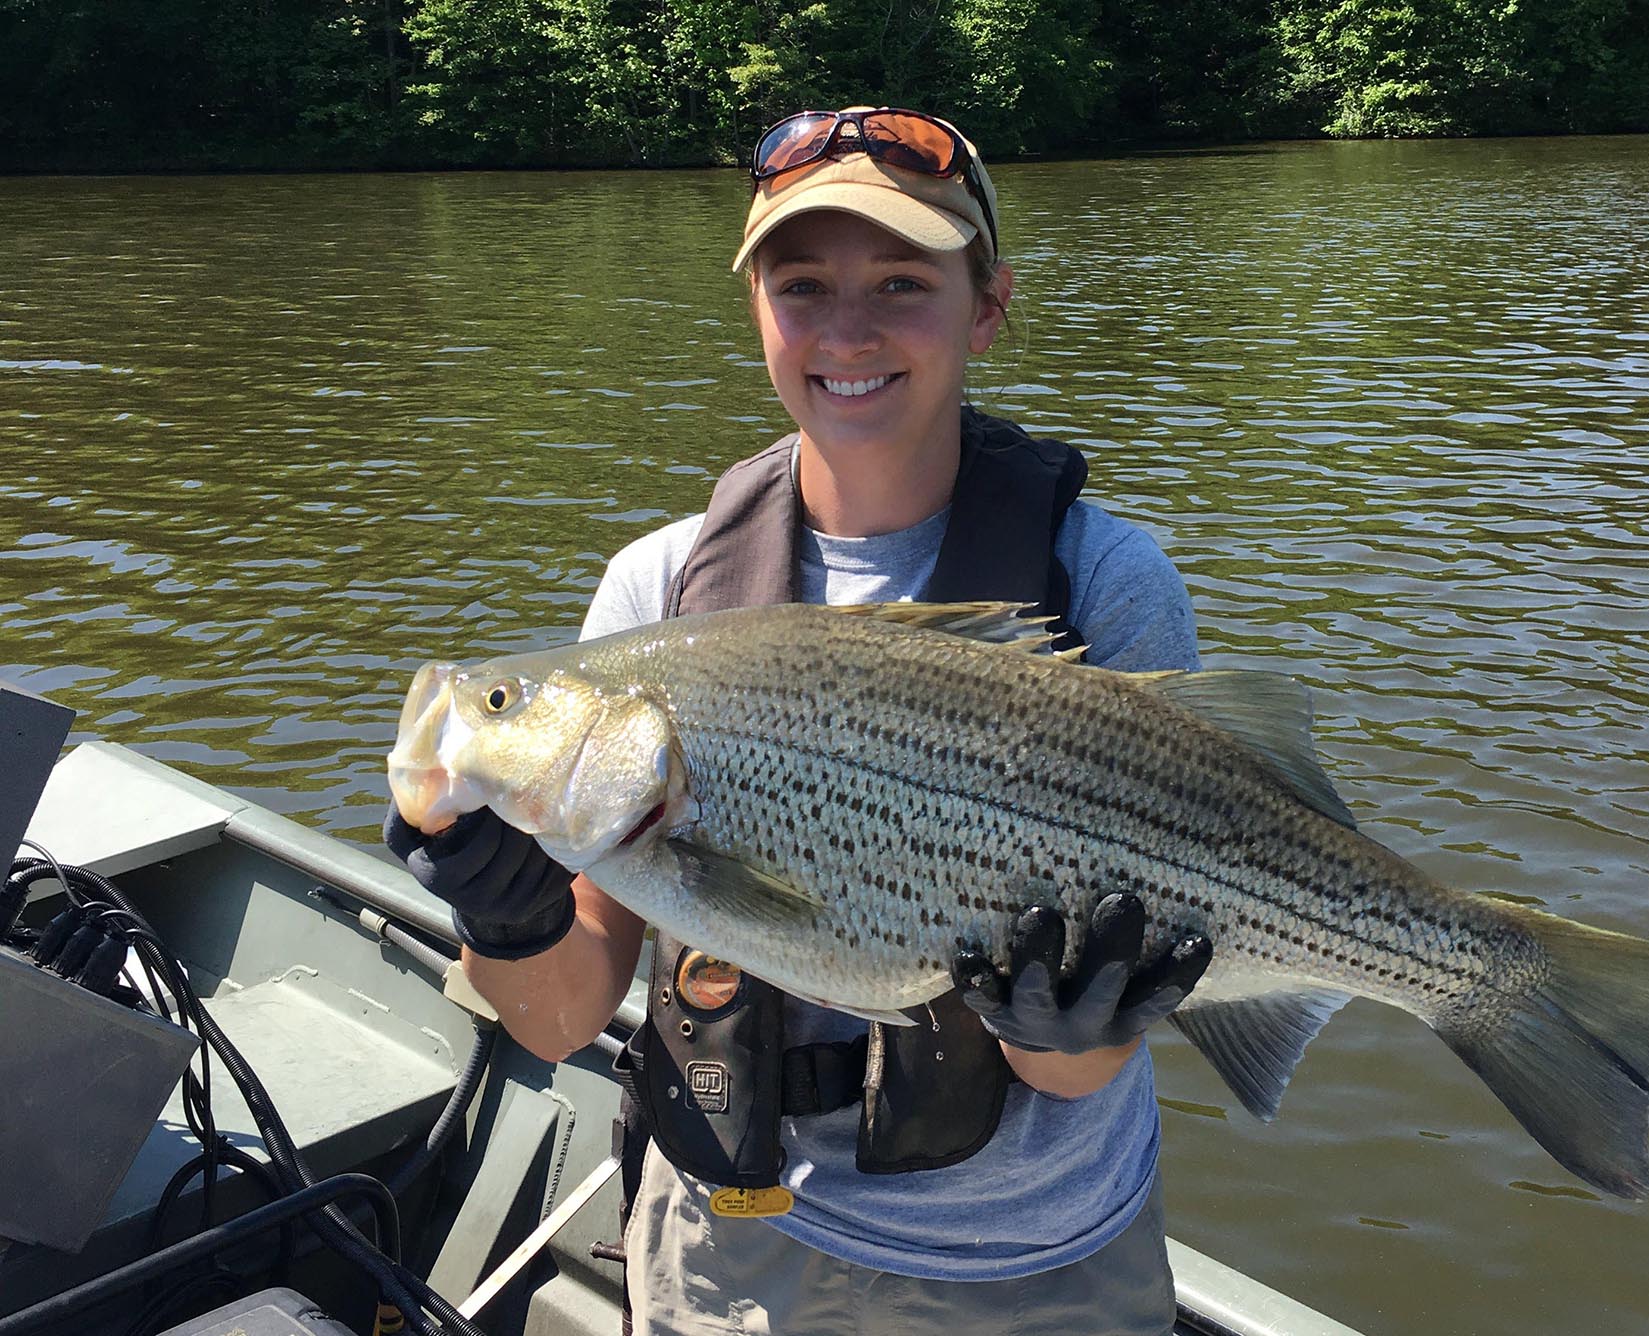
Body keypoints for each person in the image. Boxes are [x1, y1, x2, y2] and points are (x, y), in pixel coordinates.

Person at [386, 106, 1213, 1335]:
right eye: (801, 284)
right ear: (759, 310)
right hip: (733, 1251)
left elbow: (1075, 1070)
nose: (847, 331)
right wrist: (503, 907)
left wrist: (1075, 1026)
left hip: (1042, 1265)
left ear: (987, 307)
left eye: (901, 282)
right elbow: (558, 1023)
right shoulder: (656, 589)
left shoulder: (1105, 584)